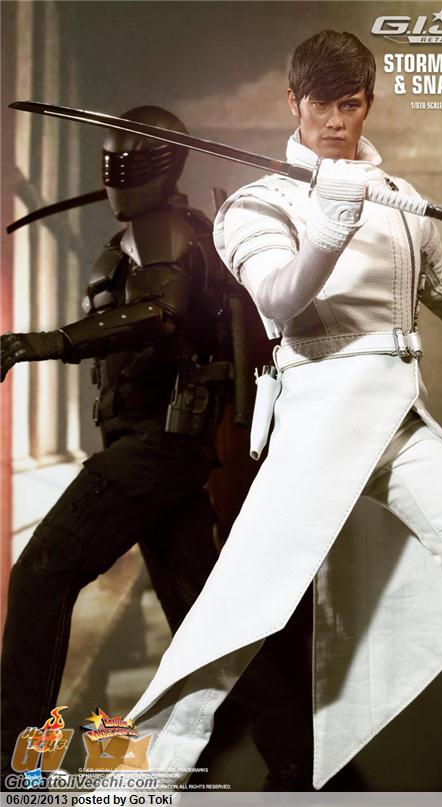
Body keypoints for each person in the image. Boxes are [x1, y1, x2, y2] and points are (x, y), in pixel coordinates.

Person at [99, 34, 442, 802]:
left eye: (350, 104)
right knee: (230, 623)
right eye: (320, 105)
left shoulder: (401, 200)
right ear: (293, 102)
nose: (335, 121)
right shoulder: (259, 203)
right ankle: (138, 782)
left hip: (399, 424)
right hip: (316, 425)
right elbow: (278, 298)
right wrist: (330, 228)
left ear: (367, 102)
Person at [0, 106, 313, 791]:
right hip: (158, 447)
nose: (116, 174)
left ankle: (13, 769)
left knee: (41, 573)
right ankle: (294, 754)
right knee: (202, 615)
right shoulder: (153, 231)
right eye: (110, 162)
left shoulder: (162, 229)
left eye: (129, 162)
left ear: (162, 166)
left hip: (156, 448)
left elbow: (158, 314)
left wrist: (45, 342)